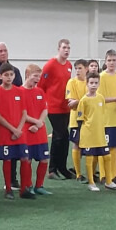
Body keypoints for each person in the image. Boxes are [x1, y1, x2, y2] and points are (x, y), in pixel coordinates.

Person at [0, 62, 33, 200]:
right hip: (5, 133)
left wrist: (19, 129)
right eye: (6, 75)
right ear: (0, 76)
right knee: (7, 159)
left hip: (19, 133)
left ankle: (24, 189)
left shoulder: (19, 91)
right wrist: (13, 130)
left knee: (24, 158)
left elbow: (24, 112)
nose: (9, 77)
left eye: (11, 74)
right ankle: (8, 189)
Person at [77, 72, 116, 191]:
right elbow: (80, 119)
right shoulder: (83, 100)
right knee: (90, 158)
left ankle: (109, 182)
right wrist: (82, 134)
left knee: (107, 156)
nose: (93, 85)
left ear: (99, 84)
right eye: (91, 83)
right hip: (88, 134)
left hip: (100, 134)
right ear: (87, 84)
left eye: (96, 83)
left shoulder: (101, 98)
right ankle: (91, 183)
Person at [0, 41, 22, 188]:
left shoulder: (16, 71)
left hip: (12, 117)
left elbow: (19, 93)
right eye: (0, 51)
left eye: (5, 50)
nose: (3, 53)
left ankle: (12, 180)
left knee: (13, 150)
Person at [41, 39, 74, 179]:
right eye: (64, 47)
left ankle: (62, 167)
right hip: (54, 107)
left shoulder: (69, 65)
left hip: (66, 107)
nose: (66, 50)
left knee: (64, 138)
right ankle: (52, 169)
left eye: (68, 48)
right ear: (58, 48)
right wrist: (44, 104)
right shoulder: (50, 65)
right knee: (59, 136)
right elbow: (41, 86)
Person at [98, 49, 116, 186]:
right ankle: (103, 175)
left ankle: (115, 173)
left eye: (114, 60)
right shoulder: (101, 77)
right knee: (105, 147)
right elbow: (99, 98)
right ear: (105, 62)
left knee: (115, 147)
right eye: (109, 60)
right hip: (105, 118)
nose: (111, 63)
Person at [22, 63, 51, 195]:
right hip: (27, 131)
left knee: (44, 159)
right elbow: (21, 114)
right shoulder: (19, 92)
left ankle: (39, 186)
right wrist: (36, 122)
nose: (38, 79)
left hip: (40, 131)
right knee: (27, 160)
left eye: (39, 76)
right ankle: (28, 186)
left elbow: (45, 109)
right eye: (35, 76)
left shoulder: (40, 91)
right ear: (27, 75)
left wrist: (39, 123)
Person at [65, 59, 88, 181]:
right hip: (76, 118)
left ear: (86, 69)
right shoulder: (72, 82)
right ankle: (78, 173)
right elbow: (71, 102)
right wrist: (85, 101)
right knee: (77, 144)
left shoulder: (89, 82)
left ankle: (91, 172)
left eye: (80, 68)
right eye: (76, 68)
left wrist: (79, 101)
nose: (78, 71)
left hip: (89, 118)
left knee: (90, 145)